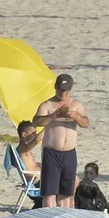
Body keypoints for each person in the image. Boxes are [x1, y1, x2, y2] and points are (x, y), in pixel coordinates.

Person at [32, 74, 89, 208]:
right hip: (52, 153)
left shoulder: (76, 105)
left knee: (66, 192)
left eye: (66, 90)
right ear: (55, 87)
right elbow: (36, 122)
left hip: (69, 153)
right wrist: (53, 116)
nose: (63, 93)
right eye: (61, 89)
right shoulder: (47, 105)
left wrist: (76, 116)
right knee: (50, 192)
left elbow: (86, 123)